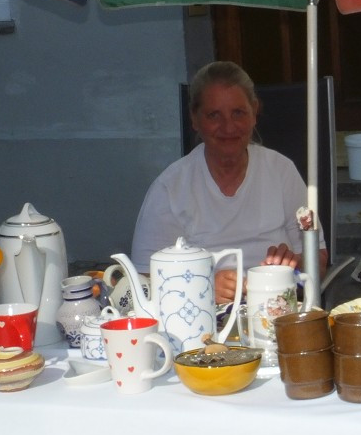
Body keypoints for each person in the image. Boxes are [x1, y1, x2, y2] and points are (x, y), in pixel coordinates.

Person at [131, 61, 327, 303]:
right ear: (195, 119)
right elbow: (142, 282)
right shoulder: (170, 188)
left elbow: (317, 260)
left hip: (276, 314)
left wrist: (291, 269)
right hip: (204, 323)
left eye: (238, 113)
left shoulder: (281, 171)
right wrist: (202, 288)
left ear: (254, 112)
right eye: (214, 115)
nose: (228, 127)